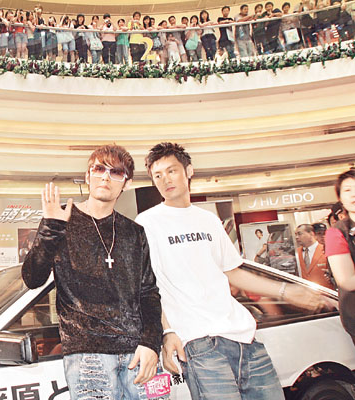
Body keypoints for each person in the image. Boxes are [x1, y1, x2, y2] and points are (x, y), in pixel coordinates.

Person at [135, 142, 328, 400]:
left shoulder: (209, 220)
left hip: (245, 339)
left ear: (189, 171)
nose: (165, 180)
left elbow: (234, 272)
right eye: (157, 175)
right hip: (199, 344)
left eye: (171, 171)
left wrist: (285, 291)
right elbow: (148, 287)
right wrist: (167, 332)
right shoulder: (147, 223)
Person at [22, 145, 162, 399]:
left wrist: (152, 342)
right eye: (99, 169)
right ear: (88, 176)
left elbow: (148, 292)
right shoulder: (61, 221)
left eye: (116, 172)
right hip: (88, 355)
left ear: (126, 183)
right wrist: (51, 229)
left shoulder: (134, 232)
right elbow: (33, 279)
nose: (105, 177)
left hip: (138, 352)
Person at [325, 168, 355, 342]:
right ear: (340, 198)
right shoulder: (337, 233)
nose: (353, 194)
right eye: (347, 190)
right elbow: (347, 281)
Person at [295, 224, 334, 289]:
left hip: (325, 291)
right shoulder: (296, 253)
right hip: (304, 292)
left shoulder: (326, 249)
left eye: (300, 234)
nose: (297, 237)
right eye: (296, 234)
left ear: (311, 234)